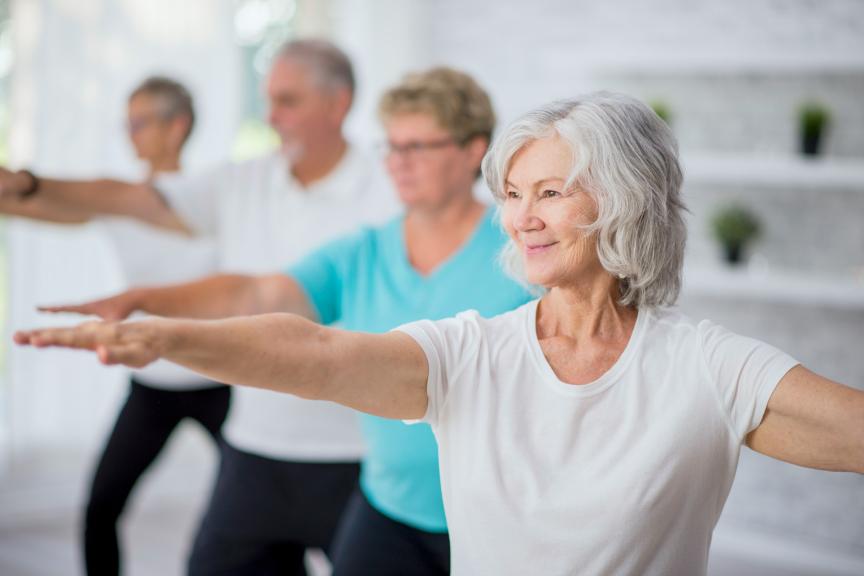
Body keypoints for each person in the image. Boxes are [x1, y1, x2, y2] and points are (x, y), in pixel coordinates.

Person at [15, 92, 864, 576]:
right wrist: (170, 336)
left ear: (626, 199)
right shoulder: (471, 353)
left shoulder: (707, 368)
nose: (524, 219)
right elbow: (315, 352)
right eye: (515, 193)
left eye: (552, 192)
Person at [34, 67, 533, 575]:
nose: (398, 164)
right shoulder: (363, 250)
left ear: (473, 151)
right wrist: (144, 302)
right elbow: (259, 291)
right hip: (390, 508)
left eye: (418, 148)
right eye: (392, 147)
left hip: (494, 515)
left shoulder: (522, 252)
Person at [3, 39, 396, 575]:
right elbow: (127, 198)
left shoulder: (392, 186)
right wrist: (29, 184)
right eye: (268, 99)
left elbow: (263, 293)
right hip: (253, 447)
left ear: (338, 103)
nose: (271, 116)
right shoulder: (242, 181)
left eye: (287, 101)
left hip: (354, 453)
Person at [0, 75, 229, 576]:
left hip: (219, 381)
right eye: (127, 123)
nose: (131, 133)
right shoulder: (114, 202)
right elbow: (27, 203)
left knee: (259, 510)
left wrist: (23, 179)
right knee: (101, 507)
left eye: (141, 122)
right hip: (152, 382)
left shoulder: (207, 194)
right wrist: (14, 188)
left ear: (178, 127)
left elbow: (112, 195)